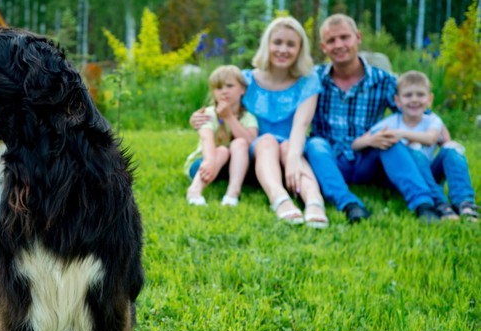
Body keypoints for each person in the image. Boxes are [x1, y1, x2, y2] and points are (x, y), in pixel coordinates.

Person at [191, 16, 329, 228]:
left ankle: (313, 200)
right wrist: (199, 118)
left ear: (300, 49)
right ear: (267, 45)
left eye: (291, 44)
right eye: (277, 42)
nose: (283, 49)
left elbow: (301, 125)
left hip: (291, 146)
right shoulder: (245, 80)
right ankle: (279, 198)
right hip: (253, 150)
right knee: (266, 141)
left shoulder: (308, 81)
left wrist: (292, 157)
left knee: (286, 146)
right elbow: (220, 107)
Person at [305, 14, 440, 223]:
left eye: (344, 37)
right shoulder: (313, 79)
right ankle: (349, 204)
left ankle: (423, 204)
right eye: (331, 40)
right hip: (330, 159)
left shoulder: (382, 80)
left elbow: (420, 113)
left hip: (367, 160)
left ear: (358, 37)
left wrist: (444, 139)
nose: (339, 45)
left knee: (389, 140)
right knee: (314, 144)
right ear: (323, 47)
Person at [368, 70, 478, 221]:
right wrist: (371, 140)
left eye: (420, 95)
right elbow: (361, 140)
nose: (414, 100)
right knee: (414, 149)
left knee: (452, 147)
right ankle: (440, 203)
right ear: (397, 101)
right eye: (408, 95)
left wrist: (401, 134)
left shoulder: (432, 120)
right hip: (410, 176)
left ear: (430, 99)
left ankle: (464, 202)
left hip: (430, 170)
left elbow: (431, 138)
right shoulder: (392, 122)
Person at [184, 65, 257, 207]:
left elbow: (251, 142)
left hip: (237, 169)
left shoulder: (248, 117)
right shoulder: (207, 114)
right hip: (204, 166)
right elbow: (206, 138)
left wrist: (229, 116)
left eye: (229, 86)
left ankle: (233, 192)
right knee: (222, 150)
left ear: (242, 89)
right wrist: (209, 161)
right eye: (218, 88)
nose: (224, 91)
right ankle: (194, 190)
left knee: (240, 143)